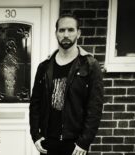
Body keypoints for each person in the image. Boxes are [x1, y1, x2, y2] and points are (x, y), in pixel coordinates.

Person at [29, 13, 104, 155]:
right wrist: (35, 135)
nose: (66, 34)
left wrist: (84, 142)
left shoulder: (90, 65)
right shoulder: (44, 67)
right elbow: (35, 103)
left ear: (78, 33)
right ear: (56, 33)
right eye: (61, 30)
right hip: (48, 142)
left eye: (70, 30)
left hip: (75, 145)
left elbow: (95, 108)